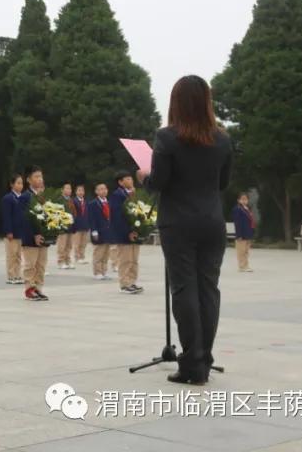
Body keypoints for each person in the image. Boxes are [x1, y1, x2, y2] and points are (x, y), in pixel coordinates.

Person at [137, 75, 233, 386]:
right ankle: (204, 358)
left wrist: (143, 175)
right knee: (209, 290)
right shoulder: (222, 139)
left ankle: (192, 364)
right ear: (207, 102)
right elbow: (223, 184)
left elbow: (158, 183)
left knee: (184, 290)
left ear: (176, 102)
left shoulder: (167, 137)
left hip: (178, 223)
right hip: (212, 222)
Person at [109, 171, 143, 294]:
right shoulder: (117, 195)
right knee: (125, 260)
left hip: (136, 232)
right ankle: (124, 284)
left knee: (134, 259)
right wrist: (128, 231)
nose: (131, 180)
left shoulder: (134, 194)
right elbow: (118, 216)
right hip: (124, 233)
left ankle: (132, 281)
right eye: (127, 179)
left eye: (131, 178)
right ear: (120, 182)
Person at [20, 167, 49, 301]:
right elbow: (24, 219)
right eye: (36, 176)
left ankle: (38, 288)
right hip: (31, 236)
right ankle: (29, 289)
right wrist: (34, 234)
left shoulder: (43, 196)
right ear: (29, 180)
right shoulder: (25, 197)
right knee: (30, 264)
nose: (40, 179)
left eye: (41, 176)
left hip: (44, 236)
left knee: (41, 264)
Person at [0, 174, 25, 285]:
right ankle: (11, 275)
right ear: (12, 184)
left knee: (18, 255)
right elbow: (6, 216)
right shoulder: (8, 198)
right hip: (11, 231)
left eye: (21, 183)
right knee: (11, 254)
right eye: (18, 183)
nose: (20, 185)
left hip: (21, 231)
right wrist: (8, 231)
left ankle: (17, 274)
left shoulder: (24, 198)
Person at [90, 183, 113, 280]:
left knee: (106, 253)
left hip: (108, 231)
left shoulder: (109, 202)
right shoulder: (93, 203)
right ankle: (97, 272)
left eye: (105, 189)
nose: (103, 191)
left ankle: (104, 271)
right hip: (99, 231)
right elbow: (92, 219)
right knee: (99, 253)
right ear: (96, 191)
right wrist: (94, 231)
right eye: (100, 189)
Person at [231, 192, 255, 272]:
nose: (244, 200)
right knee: (241, 251)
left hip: (248, 233)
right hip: (241, 233)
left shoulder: (247, 209)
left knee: (246, 251)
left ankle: (246, 265)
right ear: (238, 200)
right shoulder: (237, 209)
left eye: (246, 199)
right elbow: (237, 223)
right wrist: (239, 235)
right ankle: (241, 266)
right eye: (242, 199)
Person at [57, 182, 76, 270]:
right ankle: (61, 261)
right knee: (62, 245)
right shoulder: (59, 199)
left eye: (70, 188)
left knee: (69, 245)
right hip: (62, 226)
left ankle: (68, 261)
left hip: (70, 225)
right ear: (62, 190)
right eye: (67, 188)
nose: (69, 190)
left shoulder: (71, 200)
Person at [72, 183, 90, 264]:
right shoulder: (73, 201)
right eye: (79, 190)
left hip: (85, 225)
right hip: (77, 225)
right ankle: (77, 257)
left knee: (83, 243)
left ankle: (82, 257)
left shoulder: (86, 202)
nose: (81, 192)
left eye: (82, 190)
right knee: (77, 243)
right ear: (76, 192)